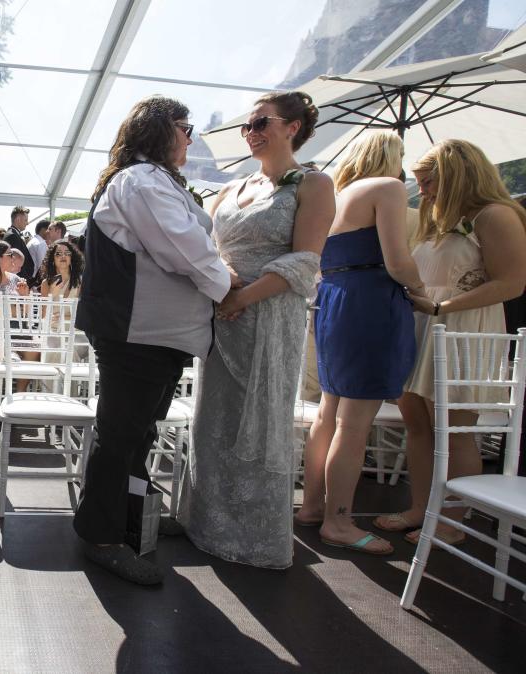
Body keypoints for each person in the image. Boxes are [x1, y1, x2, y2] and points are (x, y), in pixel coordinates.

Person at [74, 96, 231, 585]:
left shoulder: (152, 180)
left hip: (156, 335)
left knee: (138, 433)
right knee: (120, 434)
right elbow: (185, 249)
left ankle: (130, 515)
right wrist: (230, 289)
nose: (190, 137)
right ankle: (100, 535)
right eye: (185, 127)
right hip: (136, 333)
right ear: (160, 130)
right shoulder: (140, 182)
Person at [178, 91, 335, 569]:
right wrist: (220, 286)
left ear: (293, 127)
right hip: (221, 318)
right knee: (213, 422)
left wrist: (241, 297)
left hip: (268, 318)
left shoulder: (314, 184)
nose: (252, 133)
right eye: (248, 126)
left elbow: (306, 260)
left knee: (260, 421)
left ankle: (255, 538)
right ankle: (203, 522)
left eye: (262, 122)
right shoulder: (229, 189)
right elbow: (207, 249)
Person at [373, 139, 526, 544]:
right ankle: (420, 509)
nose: (421, 191)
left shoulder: (497, 215)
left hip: (461, 329)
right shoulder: (439, 219)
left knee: (455, 429)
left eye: (428, 182)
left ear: (456, 176)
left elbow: (512, 282)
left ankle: (452, 519)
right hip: (424, 324)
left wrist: (444, 308)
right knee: (417, 426)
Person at [296, 131, 423, 555]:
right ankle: (339, 522)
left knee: (327, 414)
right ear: (391, 156)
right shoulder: (386, 188)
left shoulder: (335, 194)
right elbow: (398, 261)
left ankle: (312, 507)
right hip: (370, 302)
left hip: (334, 300)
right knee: (354, 423)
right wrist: (422, 293)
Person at [5, 206, 35, 280]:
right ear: (18, 219)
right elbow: (14, 263)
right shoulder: (12, 236)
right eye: (25, 220)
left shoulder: (13, 234)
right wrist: (21, 280)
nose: (27, 223)